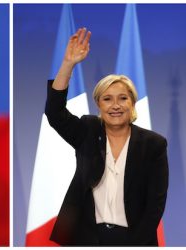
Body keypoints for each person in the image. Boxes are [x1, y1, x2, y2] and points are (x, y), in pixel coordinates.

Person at [46, 28, 168, 246]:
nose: (115, 106)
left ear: (132, 103)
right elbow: (54, 113)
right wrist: (67, 64)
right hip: (86, 238)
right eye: (107, 99)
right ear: (98, 104)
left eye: (123, 98)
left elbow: (155, 205)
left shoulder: (153, 144)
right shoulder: (88, 130)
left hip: (134, 239)